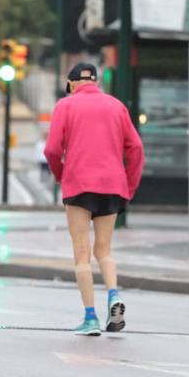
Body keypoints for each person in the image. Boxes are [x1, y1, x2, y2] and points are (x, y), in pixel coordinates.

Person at [44, 63, 144, 336]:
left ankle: (90, 318)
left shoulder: (65, 106)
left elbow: (52, 150)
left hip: (79, 184)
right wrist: (129, 185)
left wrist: (60, 174)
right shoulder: (116, 106)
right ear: (96, 82)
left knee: (82, 253)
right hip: (113, 185)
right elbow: (135, 148)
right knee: (104, 251)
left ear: (72, 83)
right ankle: (113, 295)